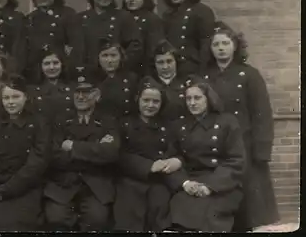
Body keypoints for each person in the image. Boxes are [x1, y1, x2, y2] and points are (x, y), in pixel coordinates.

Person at [205, 22, 280, 231]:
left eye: (226, 43)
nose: (221, 48)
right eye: (216, 44)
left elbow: (262, 114)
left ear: (235, 46)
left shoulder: (249, 75)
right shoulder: (205, 77)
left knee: (250, 207)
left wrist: (261, 150)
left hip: (245, 145)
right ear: (210, 49)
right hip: (216, 145)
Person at [166, 75, 246, 232]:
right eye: (188, 98)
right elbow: (173, 159)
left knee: (210, 213)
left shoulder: (227, 122)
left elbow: (236, 160)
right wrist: (185, 183)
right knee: (178, 207)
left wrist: (210, 186)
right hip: (192, 182)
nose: (192, 103)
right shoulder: (180, 126)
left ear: (208, 99)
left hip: (222, 184)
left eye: (197, 98)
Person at [44, 66, 120, 231]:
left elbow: (112, 153)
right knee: (56, 219)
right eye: (77, 92)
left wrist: (73, 146)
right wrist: (96, 150)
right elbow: (53, 155)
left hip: (96, 185)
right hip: (63, 183)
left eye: (86, 92)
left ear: (97, 95)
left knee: (97, 220)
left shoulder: (108, 121)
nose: (80, 96)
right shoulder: (60, 120)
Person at [0, 74, 51, 231]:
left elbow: (37, 163)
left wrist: (6, 190)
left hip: (25, 187)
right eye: (6, 98)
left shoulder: (39, 123)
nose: (10, 102)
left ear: (25, 97)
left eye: (16, 97)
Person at [114, 76, 180, 232]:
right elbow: (118, 154)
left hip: (160, 181)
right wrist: (148, 166)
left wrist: (176, 160)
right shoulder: (124, 124)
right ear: (138, 100)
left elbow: (175, 151)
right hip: (130, 181)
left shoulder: (167, 126)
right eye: (146, 100)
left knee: (160, 213)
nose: (150, 105)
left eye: (156, 101)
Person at [76, 0, 142, 75]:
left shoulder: (123, 17)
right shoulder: (80, 19)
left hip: (117, 74)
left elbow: (135, 46)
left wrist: (119, 65)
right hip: (89, 75)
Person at [23, 0, 83, 83]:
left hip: (63, 74)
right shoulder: (29, 19)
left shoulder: (68, 14)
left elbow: (76, 47)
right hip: (37, 76)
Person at [162, 0, 217, 77]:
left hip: (194, 68)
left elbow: (206, 45)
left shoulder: (202, 11)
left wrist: (202, 73)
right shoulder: (167, 15)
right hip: (173, 70)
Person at [122, 0, 165, 77]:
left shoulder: (152, 19)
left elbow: (154, 49)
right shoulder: (121, 19)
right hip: (124, 70)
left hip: (146, 71)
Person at [28, 43, 75, 124]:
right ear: (40, 66)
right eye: (47, 64)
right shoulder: (31, 91)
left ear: (62, 65)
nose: (52, 67)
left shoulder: (74, 88)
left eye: (56, 63)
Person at [95, 36, 138, 119]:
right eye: (105, 55)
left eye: (113, 55)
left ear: (120, 57)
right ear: (98, 58)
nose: (109, 60)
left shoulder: (132, 79)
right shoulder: (92, 79)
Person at [150, 40, 189, 122]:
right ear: (154, 64)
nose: (165, 67)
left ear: (176, 62)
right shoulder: (150, 84)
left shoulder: (187, 83)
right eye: (160, 62)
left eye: (169, 61)